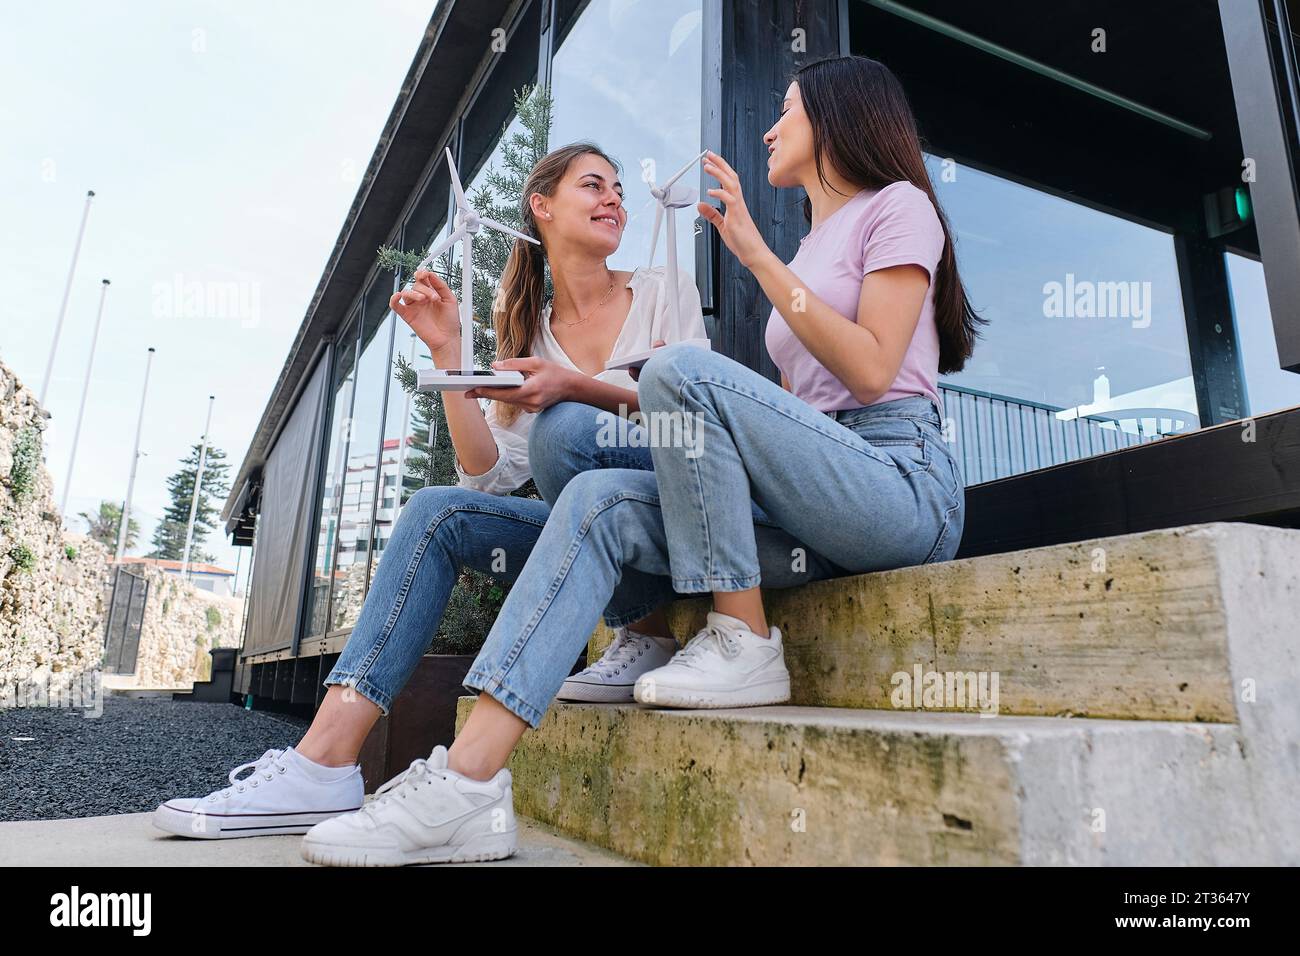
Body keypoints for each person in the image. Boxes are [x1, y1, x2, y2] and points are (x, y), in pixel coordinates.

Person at [290, 53, 984, 866]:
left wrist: (754, 257)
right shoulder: (809, 248)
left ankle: (742, 637)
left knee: (675, 370)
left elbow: (870, 372)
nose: (770, 127)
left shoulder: (898, 207)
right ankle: (468, 784)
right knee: (596, 499)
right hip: (810, 507)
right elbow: (497, 469)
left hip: (898, 483)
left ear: (837, 118)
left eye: (787, 109)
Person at [152, 142, 706, 860]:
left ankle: (649, 629)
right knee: (438, 511)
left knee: (567, 433)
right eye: (593, 185)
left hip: (667, 523)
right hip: (592, 526)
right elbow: (488, 477)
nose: (616, 201)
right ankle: (323, 762)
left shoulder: (664, 289)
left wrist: (578, 389)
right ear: (540, 207)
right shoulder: (529, 332)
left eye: (619, 189)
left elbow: (693, 423)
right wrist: (450, 356)